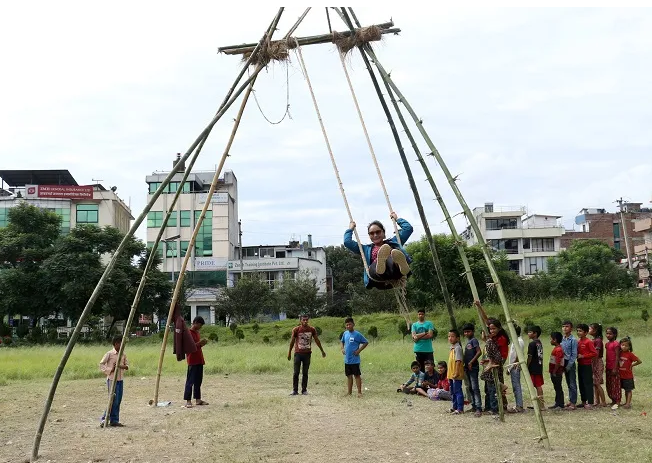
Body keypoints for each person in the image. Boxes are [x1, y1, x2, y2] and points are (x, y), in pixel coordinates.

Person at [344, 211, 413, 289]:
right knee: (374, 267)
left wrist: (397, 219)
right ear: (369, 235)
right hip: (379, 279)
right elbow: (347, 242)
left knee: (393, 254)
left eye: (378, 232)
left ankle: (400, 266)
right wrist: (350, 229)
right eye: (372, 233)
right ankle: (381, 266)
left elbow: (408, 229)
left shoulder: (394, 241)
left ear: (383, 233)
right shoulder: (365, 249)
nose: (375, 235)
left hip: (395, 273)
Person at [287, 314, 326, 395]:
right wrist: (289, 352)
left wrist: (322, 350)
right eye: (303, 320)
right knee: (296, 372)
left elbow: (317, 340)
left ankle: (304, 390)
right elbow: (292, 342)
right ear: (300, 321)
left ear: (308, 320)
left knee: (305, 372)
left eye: (306, 320)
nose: (305, 321)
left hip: (307, 354)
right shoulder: (296, 329)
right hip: (298, 353)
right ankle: (295, 390)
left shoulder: (312, 329)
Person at [99, 335, 129, 427]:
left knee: (118, 400)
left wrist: (120, 366)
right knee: (112, 400)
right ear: (116, 344)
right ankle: (104, 419)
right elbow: (101, 364)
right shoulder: (109, 354)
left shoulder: (123, 354)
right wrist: (110, 369)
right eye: (121, 343)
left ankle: (114, 420)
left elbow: (127, 366)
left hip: (120, 380)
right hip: (112, 379)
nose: (122, 346)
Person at [340, 317, 369, 397]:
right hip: (347, 360)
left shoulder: (357, 334)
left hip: (355, 360)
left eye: (350, 324)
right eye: (347, 325)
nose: (348, 326)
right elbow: (341, 341)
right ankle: (349, 392)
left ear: (353, 324)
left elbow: (366, 342)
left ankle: (359, 392)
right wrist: (342, 349)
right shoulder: (345, 333)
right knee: (349, 376)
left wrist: (358, 351)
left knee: (357, 376)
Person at [184, 316, 209, 408]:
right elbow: (189, 347)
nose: (200, 327)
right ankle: (188, 400)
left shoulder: (197, 333)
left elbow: (197, 346)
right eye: (199, 325)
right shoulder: (188, 333)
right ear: (195, 323)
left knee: (198, 381)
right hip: (192, 360)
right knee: (190, 381)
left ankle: (198, 399)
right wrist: (199, 344)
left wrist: (201, 344)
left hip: (199, 359)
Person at [480, 322, 504, 416]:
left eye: (494, 329)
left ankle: (495, 409)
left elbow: (496, 356)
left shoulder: (490, 342)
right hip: (492, 363)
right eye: (490, 329)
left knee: (493, 389)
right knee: (490, 388)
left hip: (495, 365)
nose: (492, 331)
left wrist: (490, 364)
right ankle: (493, 408)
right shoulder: (490, 342)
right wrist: (487, 362)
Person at [462, 323, 482, 417]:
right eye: (465, 332)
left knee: (475, 387)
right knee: (470, 387)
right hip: (467, 368)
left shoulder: (474, 340)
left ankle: (478, 407)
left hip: (473, 367)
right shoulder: (468, 342)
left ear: (473, 332)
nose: (466, 333)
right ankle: (474, 405)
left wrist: (471, 362)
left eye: (468, 331)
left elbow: (479, 352)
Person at [576, 323, 597, 409]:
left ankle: (590, 402)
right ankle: (583, 401)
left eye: (580, 331)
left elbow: (594, 353)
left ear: (585, 332)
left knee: (588, 383)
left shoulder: (589, 342)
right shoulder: (578, 341)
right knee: (581, 383)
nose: (578, 332)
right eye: (577, 331)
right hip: (580, 364)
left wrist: (583, 356)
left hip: (587, 365)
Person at [506, 325, 525, 414]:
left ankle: (519, 406)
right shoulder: (515, 340)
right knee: (515, 386)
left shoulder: (519, 341)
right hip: (512, 365)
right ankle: (518, 404)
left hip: (515, 366)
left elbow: (518, 356)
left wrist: (511, 367)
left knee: (516, 386)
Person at [619, 337, 642, 409]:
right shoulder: (619, 353)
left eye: (626, 345)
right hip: (620, 376)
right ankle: (626, 402)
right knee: (624, 390)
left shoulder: (630, 354)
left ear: (629, 347)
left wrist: (632, 365)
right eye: (622, 345)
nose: (624, 347)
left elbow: (639, 361)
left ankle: (628, 403)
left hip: (628, 376)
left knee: (628, 390)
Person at [561, 320, 578, 410]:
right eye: (563, 326)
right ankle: (571, 400)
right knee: (568, 382)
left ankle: (573, 403)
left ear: (571, 328)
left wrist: (569, 365)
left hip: (569, 362)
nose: (565, 328)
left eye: (567, 326)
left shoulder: (573, 340)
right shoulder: (562, 339)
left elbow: (574, 354)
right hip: (562, 362)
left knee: (572, 383)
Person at [526, 325, 545, 409]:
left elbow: (529, 357)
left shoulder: (532, 344)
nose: (528, 333)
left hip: (533, 367)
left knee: (537, 385)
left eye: (530, 332)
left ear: (535, 334)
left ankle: (541, 405)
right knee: (537, 385)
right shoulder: (539, 342)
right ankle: (539, 404)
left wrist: (527, 366)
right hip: (539, 366)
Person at [447, 329, 465, 414]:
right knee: (453, 391)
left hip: (456, 373)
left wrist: (457, 372)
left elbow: (458, 361)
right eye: (449, 336)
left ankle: (460, 408)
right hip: (451, 373)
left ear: (457, 338)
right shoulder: (452, 348)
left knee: (457, 391)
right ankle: (454, 407)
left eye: (452, 336)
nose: (450, 338)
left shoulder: (458, 348)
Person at [589, 323, 606, 407]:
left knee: (597, 383)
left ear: (595, 330)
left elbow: (596, 354)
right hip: (593, 362)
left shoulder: (598, 340)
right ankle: (597, 401)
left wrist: (593, 365)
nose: (589, 330)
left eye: (590, 329)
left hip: (597, 362)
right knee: (595, 383)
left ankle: (603, 402)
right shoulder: (594, 340)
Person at [604, 327, 621, 408]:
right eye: (607, 333)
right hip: (608, 366)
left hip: (614, 367)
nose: (608, 335)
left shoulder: (616, 344)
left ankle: (617, 400)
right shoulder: (607, 344)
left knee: (615, 384)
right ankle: (613, 400)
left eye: (610, 334)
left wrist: (615, 367)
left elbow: (617, 356)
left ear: (614, 335)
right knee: (609, 384)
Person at [548, 332, 565, 410]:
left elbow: (558, 362)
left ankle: (560, 404)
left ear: (555, 340)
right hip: (554, 372)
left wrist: (554, 371)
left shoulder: (558, 349)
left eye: (551, 339)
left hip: (556, 372)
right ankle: (557, 403)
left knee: (558, 388)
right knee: (556, 387)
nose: (550, 340)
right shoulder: (556, 348)